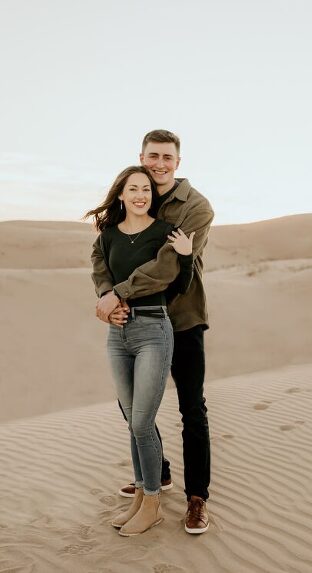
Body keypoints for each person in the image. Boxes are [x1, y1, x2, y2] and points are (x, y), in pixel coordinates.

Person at [91, 129, 215, 534]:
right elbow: (104, 255)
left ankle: (197, 497)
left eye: (167, 157)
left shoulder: (196, 207)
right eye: (152, 157)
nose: (159, 164)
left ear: (178, 162)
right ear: (141, 159)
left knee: (191, 408)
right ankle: (155, 476)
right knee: (135, 409)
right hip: (133, 316)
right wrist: (110, 297)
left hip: (183, 316)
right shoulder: (136, 193)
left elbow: (169, 265)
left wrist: (118, 295)